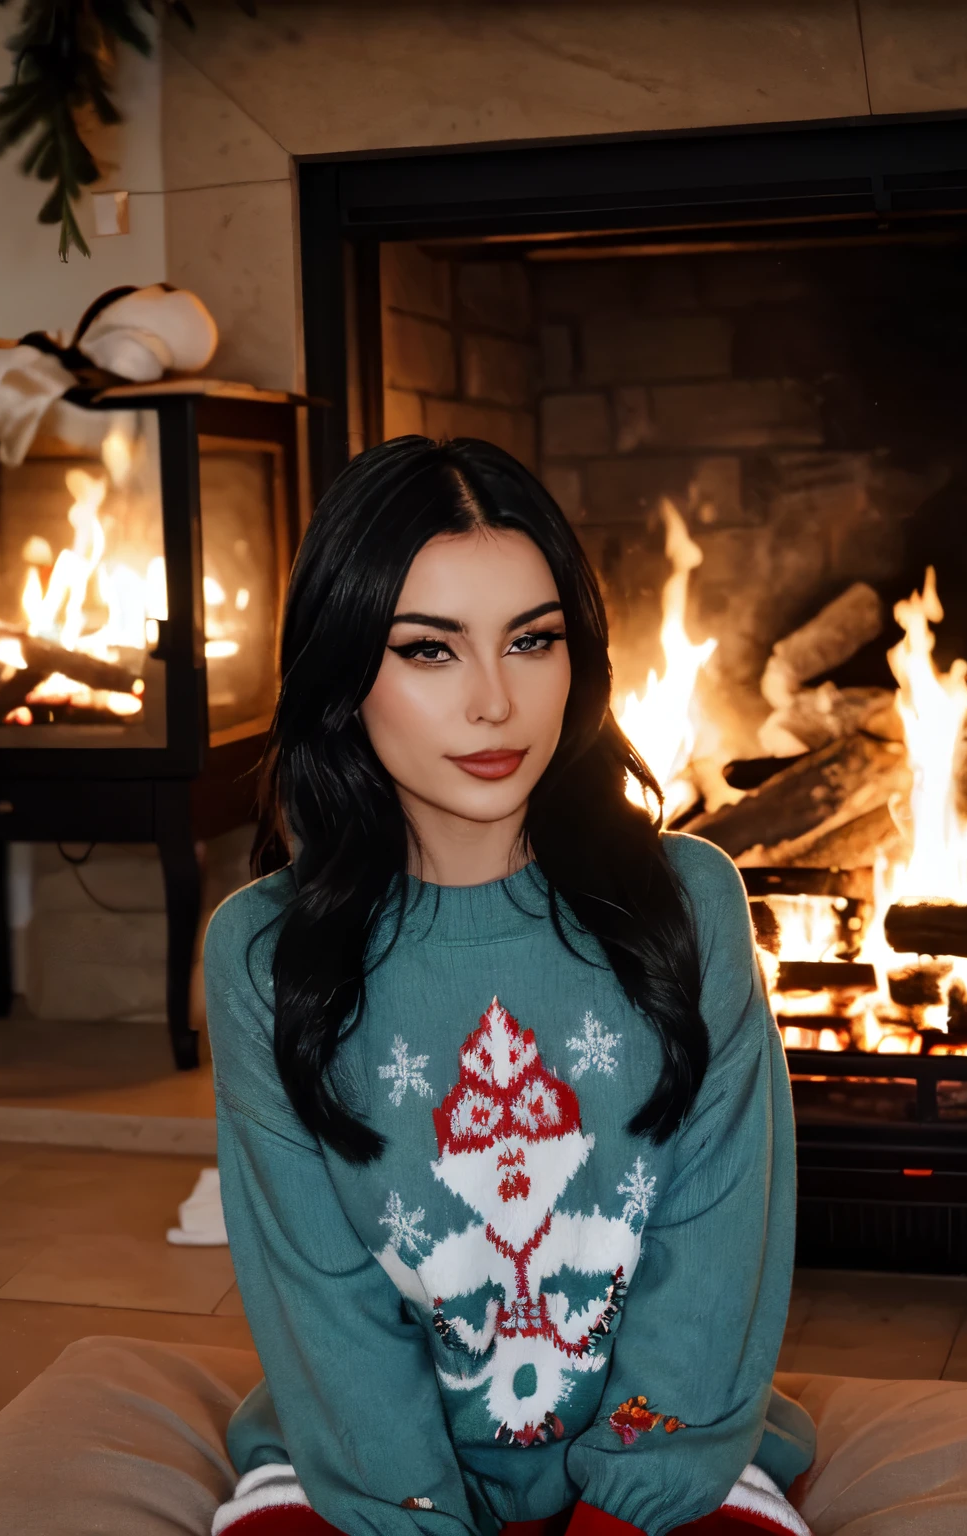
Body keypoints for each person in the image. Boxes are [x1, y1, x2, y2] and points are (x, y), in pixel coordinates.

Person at [204, 437, 814, 1536]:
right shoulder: (262, 954)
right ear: (345, 677)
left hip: (666, 1452)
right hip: (358, 1466)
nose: (496, 702)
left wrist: (626, 1506)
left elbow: (718, 1250)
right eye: (430, 652)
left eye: (532, 641)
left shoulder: (690, 902)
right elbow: (324, 1304)